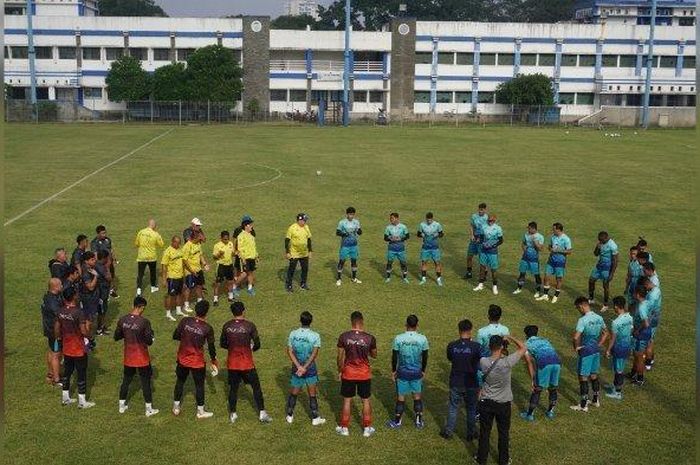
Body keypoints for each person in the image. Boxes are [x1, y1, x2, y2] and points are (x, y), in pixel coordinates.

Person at [475, 334, 526, 465]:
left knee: (484, 432)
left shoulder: (483, 361)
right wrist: (510, 337)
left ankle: (481, 459)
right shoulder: (507, 362)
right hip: (503, 403)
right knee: (503, 433)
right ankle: (503, 460)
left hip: (486, 401)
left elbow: (487, 358)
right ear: (502, 347)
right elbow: (523, 347)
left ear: (489, 346)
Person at [220, 301, 272, 424]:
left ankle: (233, 414)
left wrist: (233, 347)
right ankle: (262, 413)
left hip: (232, 364)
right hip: (247, 364)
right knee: (256, 388)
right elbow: (258, 344)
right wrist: (250, 348)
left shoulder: (227, 325)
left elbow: (222, 343)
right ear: (243, 311)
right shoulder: (250, 326)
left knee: (233, 389)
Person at [172, 300, 218, 419]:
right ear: (206, 312)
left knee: (180, 382)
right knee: (199, 385)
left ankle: (176, 407)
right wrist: (213, 360)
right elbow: (211, 347)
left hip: (182, 358)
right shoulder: (208, 328)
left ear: (196, 309)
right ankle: (200, 412)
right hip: (197, 362)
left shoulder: (185, 321)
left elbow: (175, 336)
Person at [114, 296, 159, 417]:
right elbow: (149, 341)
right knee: (146, 383)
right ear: (141, 307)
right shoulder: (144, 322)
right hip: (142, 358)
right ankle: (149, 409)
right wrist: (152, 338)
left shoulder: (123, 320)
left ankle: (121, 406)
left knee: (126, 381)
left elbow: (116, 336)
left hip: (128, 357)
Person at [336, 311, 378, 437]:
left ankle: (344, 428)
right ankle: (367, 428)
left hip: (348, 373)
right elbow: (374, 355)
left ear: (351, 321)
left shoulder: (343, 336)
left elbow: (340, 357)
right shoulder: (370, 338)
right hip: (364, 374)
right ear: (362, 321)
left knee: (347, 401)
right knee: (365, 400)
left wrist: (340, 370)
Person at [440, 319, 481, 441]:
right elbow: (480, 361)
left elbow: (450, 358)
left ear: (459, 330)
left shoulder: (452, 345)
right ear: (471, 330)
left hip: (456, 381)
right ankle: (471, 432)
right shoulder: (476, 346)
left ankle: (448, 432)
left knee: (453, 407)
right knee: (471, 408)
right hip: (471, 382)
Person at [54, 286, 95, 409]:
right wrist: (90, 336)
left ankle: (65, 398)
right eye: (76, 294)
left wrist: (59, 338)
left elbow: (56, 327)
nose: (78, 296)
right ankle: (82, 401)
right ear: (73, 296)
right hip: (78, 348)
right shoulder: (78, 312)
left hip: (67, 348)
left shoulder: (60, 311)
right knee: (81, 374)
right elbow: (83, 330)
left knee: (67, 373)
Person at [387, 314, 429, 429]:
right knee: (417, 396)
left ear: (406, 324)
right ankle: (419, 421)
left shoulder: (398, 338)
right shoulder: (422, 339)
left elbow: (394, 357)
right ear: (417, 325)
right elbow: (425, 356)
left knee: (401, 397)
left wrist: (394, 371)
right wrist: (423, 371)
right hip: (416, 372)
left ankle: (397, 422)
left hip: (403, 372)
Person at [285, 311, 326, 425]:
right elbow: (314, 354)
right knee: (312, 393)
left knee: (294, 392)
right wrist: (305, 367)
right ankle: (315, 418)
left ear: (300, 320)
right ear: (311, 321)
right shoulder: (315, 336)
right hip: (310, 368)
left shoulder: (293, 334)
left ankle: (289, 415)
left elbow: (290, 351)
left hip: (296, 368)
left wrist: (298, 366)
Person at [570, 297, 608, 412]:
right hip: (595, 350)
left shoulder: (583, 320)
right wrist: (599, 344)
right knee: (593, 375)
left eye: (578, 308)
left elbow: (575, 337)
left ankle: (583, 405)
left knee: (583, 377)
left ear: (582, 306)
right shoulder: (599, 317)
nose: (578, 310)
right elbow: (606, 333)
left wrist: (576, 348)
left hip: (586, 351)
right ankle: (596, 400)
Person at [520, 325, 561, 421]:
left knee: (537, 389)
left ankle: (529, 415)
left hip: (545, 363)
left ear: (526, 335)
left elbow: (529, 363)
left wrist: (533, 379)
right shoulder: (545, 340)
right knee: (553, 388)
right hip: (557, 362)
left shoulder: (526, 344)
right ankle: (550, 412)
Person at [604, 296, 633, 400]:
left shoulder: (615, 322)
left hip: (619, 348)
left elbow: (613, 338)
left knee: (619, 370)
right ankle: (614, 385)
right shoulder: (630, 317)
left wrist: (608, 350)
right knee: (618, 368)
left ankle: (617, 392)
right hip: (627, 346)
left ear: (616, 306)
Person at [536, 222, 573, 304]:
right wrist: (550, 249)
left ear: (558, 229)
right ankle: (545, 295)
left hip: (560, 262)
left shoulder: (566, 239)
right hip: (551, 260)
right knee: (546, 276)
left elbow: (569, 251)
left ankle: (556, 296)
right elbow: (549, 246)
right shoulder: (553, 237)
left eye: (554, 229)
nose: (552, 230)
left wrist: (558, 250)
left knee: (558, 279)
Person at [588, 231, 619, 312]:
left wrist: (611, 274)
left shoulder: (612, 245)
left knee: (605, 285)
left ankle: (605, 305)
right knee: (591, 280)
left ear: (606, 238)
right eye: (599, 240)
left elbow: (615, 261)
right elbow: (595, 254)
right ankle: (591, 299)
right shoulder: (600, 243)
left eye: (602, 240)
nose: (600, 241)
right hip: (599, 266)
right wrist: (597, 247)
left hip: (607, 268)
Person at [473, 214, 503, 295]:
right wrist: (479, 241)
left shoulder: (498, 228)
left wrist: (493, 245)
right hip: (484, 250)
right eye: (489, 220)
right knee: (482, 267)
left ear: (495, 220)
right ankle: (480, 284)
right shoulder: (484, 227)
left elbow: (501, 240)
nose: (490, 222)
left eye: (491, 221)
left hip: (492, 252)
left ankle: (495, 286)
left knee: (493, 269)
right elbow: (482, 237)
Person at [41, 278, 63, 386]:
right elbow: (58, 314)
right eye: (60, 285)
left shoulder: (47, 296)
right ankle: (57, 379)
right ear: (55, 286)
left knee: (51, 351)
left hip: (48, 328)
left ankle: (50, 374)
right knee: (56, 354)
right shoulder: (53, 301)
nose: (62, 286)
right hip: (55, 331)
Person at [513, 222, 544, 297]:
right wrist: (524, 248)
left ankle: (537, 291)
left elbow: (540, 248)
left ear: (534, 229)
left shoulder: (540, 237)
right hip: (525, 258)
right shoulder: (526, 234)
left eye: (529, 228)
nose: (528, 230)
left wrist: (535, 242)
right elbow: (523, 243)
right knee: (522, 273)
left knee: (536, 275)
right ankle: (519, 288)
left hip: (534, 260)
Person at [134, 219, 164, 296]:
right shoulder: (155, 234)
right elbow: (161, 245)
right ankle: (153, 287)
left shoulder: (141, 232)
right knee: (153, 272)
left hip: (142, 256)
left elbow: (136, 244)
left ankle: (139, 289)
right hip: (151, 257)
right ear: (154, 225)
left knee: (140, 273)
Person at [161, 235, 187, 321]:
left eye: (179, 243)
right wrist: (164, 279)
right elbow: (164, 266)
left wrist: (184, 274)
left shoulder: (180, 250)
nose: (178, 244)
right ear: (172, 242)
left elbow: (183, 263)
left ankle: (178, 310)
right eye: (176, 243)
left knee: (179, 293)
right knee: (171, 295)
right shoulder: (167, 252)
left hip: (180, 276)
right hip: (172, 277)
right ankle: (168, 313)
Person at [630, 285, 652, 386]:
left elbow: (646, 323)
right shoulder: (647, 302)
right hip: (647, 333)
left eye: (634, 293)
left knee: (639, 357)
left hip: (641, 335)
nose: (633, 294)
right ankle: (633, 373)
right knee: (636, 355)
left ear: (638, 295)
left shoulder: (642, 307)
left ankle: (640, 379)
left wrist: (637, 330)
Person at [285, 213, 312, 292]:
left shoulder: (306, 227)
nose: (305, 222)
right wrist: (287, 252)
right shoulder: (292, 228)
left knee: (305, 269)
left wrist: (310, 251)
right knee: (292, 269)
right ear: (299, 220)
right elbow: (287, 241)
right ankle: (289, 285)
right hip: (294, 253)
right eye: (304, 220)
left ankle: (303, 284)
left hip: (304, 253)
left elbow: (309, 239)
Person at [336, 207, 363, 286]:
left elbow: (360, 231)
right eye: (350, 214)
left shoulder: (356, 222)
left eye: (352, 214)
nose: (351, 216)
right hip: (345, 246)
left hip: (354, 246)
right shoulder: (342, 222)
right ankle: (339, 279)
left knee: (354, 261)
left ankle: (354, 278)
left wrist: (359, 231)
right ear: (347, 214)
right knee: (342, 261)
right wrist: (344, 234)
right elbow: (337, 232)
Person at [182, 231, 209, 310]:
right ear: (195, 237)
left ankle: (199, 301)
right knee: (189, 288)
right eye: (200, 237)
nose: (201, 239)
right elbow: (185, 261)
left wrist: (204, 264)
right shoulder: (187, 246)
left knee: (199, 285)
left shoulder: (198, 244)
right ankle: (186, 305)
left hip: (198, 269)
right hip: (190, 271)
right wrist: (192, 271)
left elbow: (200, 255)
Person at [641, 269, 662, 371]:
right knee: (651, 339)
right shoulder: (657, 289)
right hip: (656, 316)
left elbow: (649, 310)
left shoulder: (651, 296)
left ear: (647, 284)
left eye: (644, 287)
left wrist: (645, 322)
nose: (644, 289)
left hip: (651, 318)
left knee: (648, 341)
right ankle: (651, 358)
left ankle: (648, 362)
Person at [417, 212, 444, 286]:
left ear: (432, 219)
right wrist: (421, 234)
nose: (429, 221)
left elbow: (442, 233)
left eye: (430, 220)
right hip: (425, 247)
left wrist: (438, 234)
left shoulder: (437, 225)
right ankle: (423, 279)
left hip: (435, 247)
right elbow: (418, 234)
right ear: (426, 219)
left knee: (437, 263)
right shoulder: (422, 224)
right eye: (428, 220)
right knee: (424, 262)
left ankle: (438, 279)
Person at [232, 218, 258, 297]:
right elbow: (240, 248)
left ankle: (250, 288)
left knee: (250, 273)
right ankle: (234, 287)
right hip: (245, 258)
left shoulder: (251, 236)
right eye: (250, 225)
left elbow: (254, 247)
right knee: (244, 274)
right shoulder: (241, 236)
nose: (252, 227)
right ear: (246, 226)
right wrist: (243, 259)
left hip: (252, 258)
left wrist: (256, 256)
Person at [91, 224, 118, 298]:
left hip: (109, 261)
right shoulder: (94, 243)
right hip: (102, 263)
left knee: (112, 275)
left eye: (105, 233)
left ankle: (111, 291)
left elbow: (111, 249)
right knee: (104, 277)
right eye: (102, 233)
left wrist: (114, 258)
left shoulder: (107, 239)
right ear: (98, 234)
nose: (104, 235)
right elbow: (95, 254)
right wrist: (99, 264)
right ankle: (103, 293)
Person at [384, 212, 410, 284]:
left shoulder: (403, 227)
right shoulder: (388, 227)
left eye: (392, 218)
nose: (390, 219)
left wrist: (400, 239)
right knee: (389, 263)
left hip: (401, 249)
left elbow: (407, 236)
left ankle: (405, 278)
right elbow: (385, 238)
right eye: (390, 218)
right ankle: (388, 278)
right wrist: (390, 238)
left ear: (397, 218)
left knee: (403, 263)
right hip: (391, 249)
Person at [79, 251, 101, 335]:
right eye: (92, 259)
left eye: (94, 259)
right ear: (86, 261)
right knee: (89, 319)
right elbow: (90, 287)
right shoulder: (86, 272)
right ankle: (87, 339)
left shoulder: (90, 268)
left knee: (90, 318)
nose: (94, 261)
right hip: (89, 298)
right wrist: (96, 276)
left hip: (91, 297)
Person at [465, 202, 488, 279]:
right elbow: (472, 226)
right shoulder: (474, 216)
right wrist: (472, 235)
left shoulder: (487, 218)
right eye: (479, 210)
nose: (480, 211)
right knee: (469, 256)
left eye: (482, 210)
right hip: (474, 239)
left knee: (482, 258)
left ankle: (484, 274)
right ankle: (469, 273)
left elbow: (487, 230)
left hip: (482, 240)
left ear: (485, 210)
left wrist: (481, 238)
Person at [212, 230, 235, 306]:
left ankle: (230, 297)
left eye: (227, 239)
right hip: (221, 266)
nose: (226, 240)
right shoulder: (217, 246)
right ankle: (215, 299)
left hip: (230, 265)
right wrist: (219, 254)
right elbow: (214, 257)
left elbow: (232, 253)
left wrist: (235, 253)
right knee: (218, 283)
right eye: (225, 239)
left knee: (230, 281)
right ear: (221, 238)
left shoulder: (230, 244)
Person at [94, 250, 112, 336]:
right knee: (102, 311)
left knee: (102, 310)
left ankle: (102, 326)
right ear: (104, 258)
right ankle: (99, 329)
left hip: (102, 291)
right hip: (102, 292)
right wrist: (108, 267)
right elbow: (109, 278)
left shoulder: (98, 265)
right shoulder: (101, 267)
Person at [624, 246, 642, 311]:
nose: (632, 255)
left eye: (634, 254)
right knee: (630, 305)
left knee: (637, 306)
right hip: (632, 287)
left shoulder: (641, 265)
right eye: (631, 254)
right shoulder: (631, 264)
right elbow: (629, 276)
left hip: (638, 288)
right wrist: (626, 288)